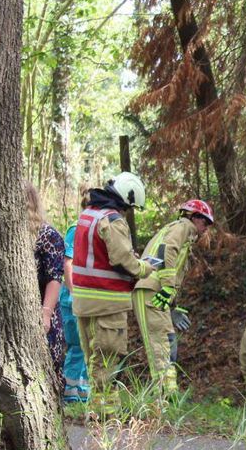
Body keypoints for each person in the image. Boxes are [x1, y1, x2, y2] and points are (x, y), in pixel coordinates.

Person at [71, 172, 156, 393]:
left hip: (83, 303)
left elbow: (98, 256)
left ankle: (96, 414)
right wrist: (145, 267)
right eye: (130, 208)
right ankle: (106, 419)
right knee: (107, 365)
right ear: (126, 199)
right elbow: (123, 260)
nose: (127, 213)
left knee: (94, 364)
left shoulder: (88, 214)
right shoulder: (112, 219)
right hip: (107, 304)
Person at [133, 200, 214, 395]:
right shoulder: (183, 227)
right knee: (161, 344)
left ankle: (168, 395)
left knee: (168, 342)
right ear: (194, 217)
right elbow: (167, 250)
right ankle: (162, 398)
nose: (206, 229)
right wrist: (168, 288)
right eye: (205, 223)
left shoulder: (182, 233)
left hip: (157, 293)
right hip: (151, 290)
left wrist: (173, 305)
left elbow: (172, 269)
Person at [26, 184, 66, 387]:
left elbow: (55, 277)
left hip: (44, 312)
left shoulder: (47, 235)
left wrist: (46, 313)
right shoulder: (10, 235)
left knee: (48, 368)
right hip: (22, 313)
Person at [60, 191, 91, 403]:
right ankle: (70, 394)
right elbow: (67, 262)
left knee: (87, 346)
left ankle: (83, 392)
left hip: (86, 298)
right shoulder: (76, 228)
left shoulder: (91, 230)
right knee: (77, 346)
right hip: (72, 300)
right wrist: (73, 292)